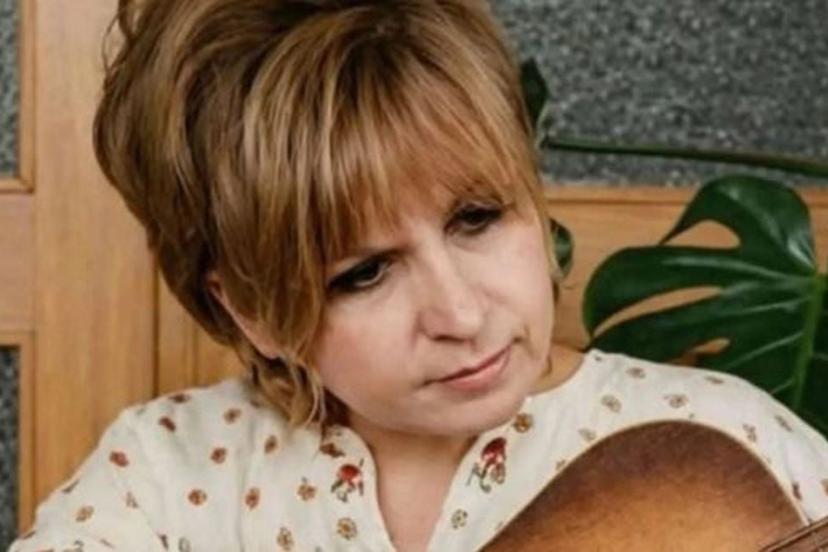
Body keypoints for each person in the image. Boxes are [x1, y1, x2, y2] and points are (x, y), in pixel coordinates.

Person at [10, 0, 828, 550]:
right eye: (365, 273)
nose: (460, 314)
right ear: (251, 310)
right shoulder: (166, 472)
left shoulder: (729, 439)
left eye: (477, 219)